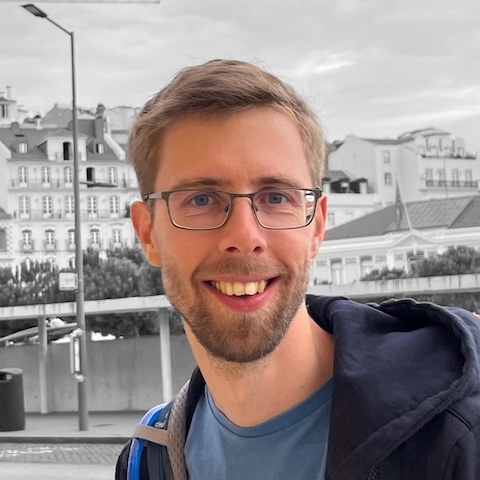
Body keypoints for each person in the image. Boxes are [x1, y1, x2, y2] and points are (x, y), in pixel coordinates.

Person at [116, 59, 480, 480]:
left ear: (317, 225)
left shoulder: (458, 434)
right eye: (200, 199)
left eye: (276, 197)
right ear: (148, 232)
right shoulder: (148, 459)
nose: (245, 236)